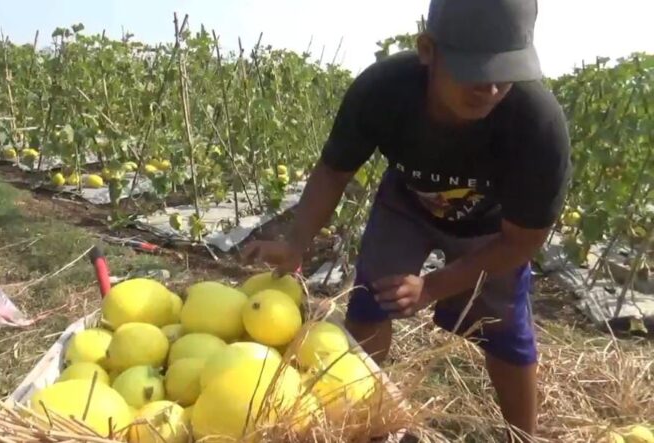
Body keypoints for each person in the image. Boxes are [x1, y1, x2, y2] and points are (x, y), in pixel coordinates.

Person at [242, 0, 571, 438]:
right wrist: (297, 240)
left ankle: (524, 435)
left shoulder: (537, 123)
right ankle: (364, 415)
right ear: (427, 49)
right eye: (474, 71)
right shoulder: (383, 91)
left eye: (505, 73)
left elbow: (523, 240)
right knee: (371, 298)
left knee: (505, 329)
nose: (490, 89)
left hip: (492, 229)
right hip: (406, 204)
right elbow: (334, 170)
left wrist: (434, 287)